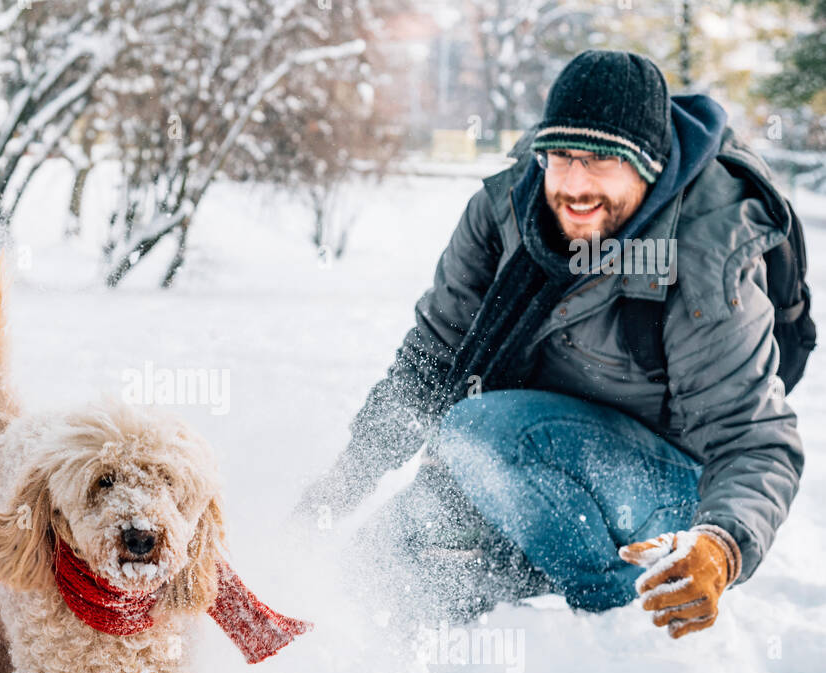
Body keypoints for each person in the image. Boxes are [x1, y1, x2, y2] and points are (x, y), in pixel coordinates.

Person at [297, 50, 804, 638]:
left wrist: (720, 546)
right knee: (377, 568)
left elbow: (757, 441)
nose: (575, 185)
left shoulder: (704, 253)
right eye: (561, 157)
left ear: (650, 166)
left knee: (477, 431)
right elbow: (429, 363)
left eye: (603, 161)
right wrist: (339, 489)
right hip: (533, 472)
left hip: (669, 499)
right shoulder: (503, 211)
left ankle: (617, 622)